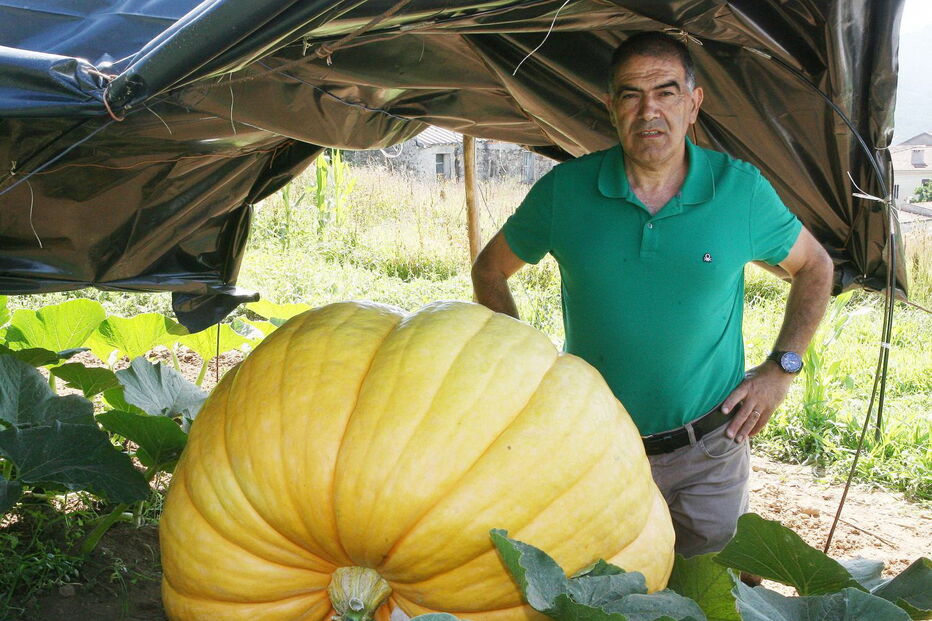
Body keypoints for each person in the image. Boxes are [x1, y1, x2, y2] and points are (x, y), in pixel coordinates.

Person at [471, 31, 834, 558]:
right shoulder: (565, 192)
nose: (649, 112)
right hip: (594, 444)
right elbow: (490, 269)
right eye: (631, 95)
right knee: (600, 591)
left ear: (694, 103)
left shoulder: (740, 191)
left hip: (710, 448)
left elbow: (816, 266)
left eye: (666, 92)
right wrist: (524, 360)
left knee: (709, 593)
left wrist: (783, 368)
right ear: (610, 105)